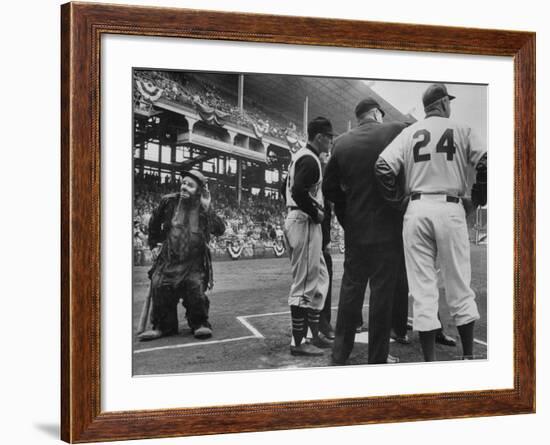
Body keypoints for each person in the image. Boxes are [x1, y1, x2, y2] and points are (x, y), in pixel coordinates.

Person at [376, 83, 487, 361]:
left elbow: (382, 167)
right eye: (448, 101)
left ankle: (430, 362)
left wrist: (398, 200)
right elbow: (485, 161)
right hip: (450, 208)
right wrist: (477, 198)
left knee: (423, 290)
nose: (450, 105)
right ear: (442, 104)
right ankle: (468, 358)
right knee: (459, 285)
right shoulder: (463, 128)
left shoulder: (409, 132)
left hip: (417, 208)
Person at [323, 98, 407, 365]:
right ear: (375, 113)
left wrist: (349, 217)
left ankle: (340, 353)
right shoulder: (394, 131)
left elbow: (330, 190)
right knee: (382, 296)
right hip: (388, 230)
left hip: (356, 230)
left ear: (359, 117)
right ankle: (377, 358)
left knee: (351, 291)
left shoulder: (341, 142)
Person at [138, 169, 225, 341]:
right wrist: (154, 244)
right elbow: (154, 223)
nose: (184, 187)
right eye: (183, 183)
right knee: (159, 286)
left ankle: (200, 324)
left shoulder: (203, 206)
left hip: (194, 262)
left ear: (199, 191)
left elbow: (220, 230)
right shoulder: (168, 201)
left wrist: (208, 208)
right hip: (169, 260)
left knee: (195, 289)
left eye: (190, 185)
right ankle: (163, 327)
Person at [283, 116, 333, 356]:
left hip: (299, 218)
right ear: (319, 137)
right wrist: (315, 212)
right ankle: (297, 342)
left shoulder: (301, 156)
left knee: (321, 278)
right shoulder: (311, 160)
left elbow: (284, 188)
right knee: (303, 284)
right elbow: (297, 191)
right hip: (303, 221)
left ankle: (312, 335)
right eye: (329, 137)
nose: (331, 141)